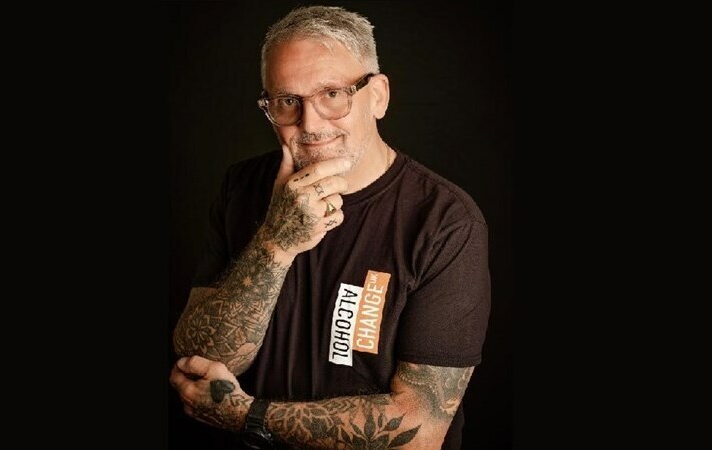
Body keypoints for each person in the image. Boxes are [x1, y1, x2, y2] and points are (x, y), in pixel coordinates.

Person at [169, 5, 491, 449]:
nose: (310, 123)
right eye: (287, 101)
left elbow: (422, 429)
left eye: (333, 94)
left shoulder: (444, 222)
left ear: (377, 95)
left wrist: (248, 415)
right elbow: (201, 362)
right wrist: (276, 243)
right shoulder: (242, 187)